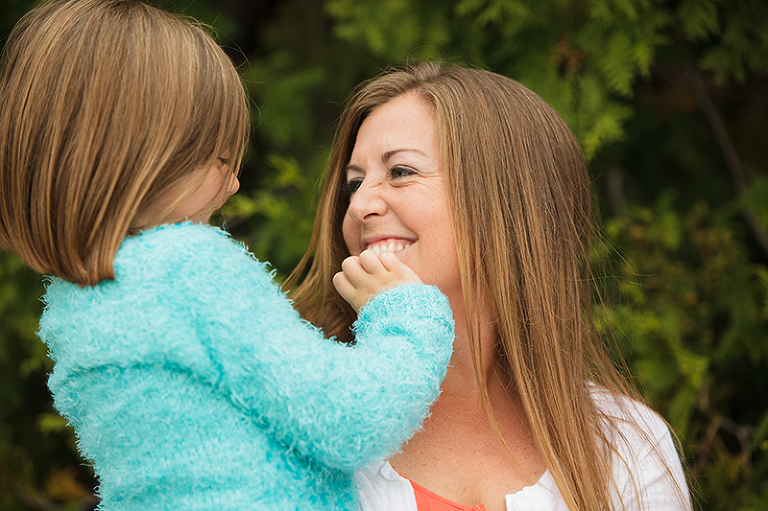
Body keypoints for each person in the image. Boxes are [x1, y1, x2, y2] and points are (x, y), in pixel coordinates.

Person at [0, 3, 455, 510]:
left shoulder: (76, 302)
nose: (234, 184)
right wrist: (405, 312)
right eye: (220, 158)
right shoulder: (187, 268)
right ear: (151, 151)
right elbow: (349, 419)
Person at [288, 62, 692, 511]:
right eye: (354, 183)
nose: (359, 205)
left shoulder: (626, 446)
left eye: (400, 171)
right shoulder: (302, 423)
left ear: (505, 200)